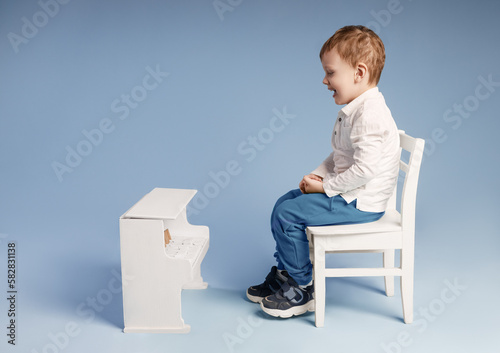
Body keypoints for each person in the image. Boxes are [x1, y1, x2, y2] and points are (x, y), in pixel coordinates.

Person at [246, 25, 401, 318]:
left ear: (359, 72)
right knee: (284, 202)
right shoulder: (357, 109)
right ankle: (286, 272)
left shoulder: (370, 115)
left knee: (287, 214)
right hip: (349, 193)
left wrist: (326, 187)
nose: (324, 80)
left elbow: (366, 169)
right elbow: (340, 155)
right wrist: (318, 175)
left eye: (331, 73)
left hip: (361, 202)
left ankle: (302, 287)